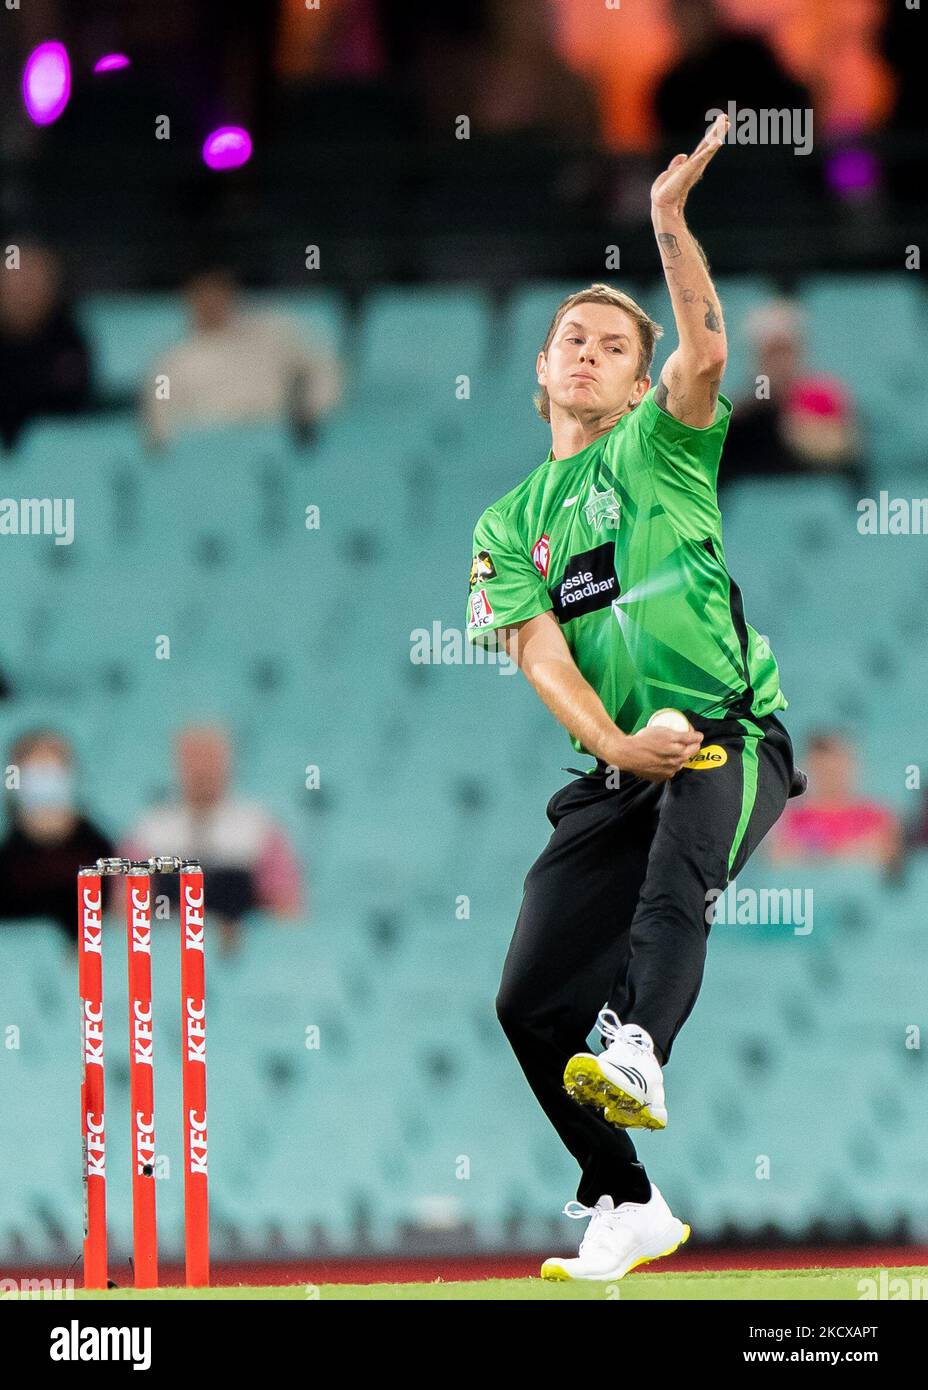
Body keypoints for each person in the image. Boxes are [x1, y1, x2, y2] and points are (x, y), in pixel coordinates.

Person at [465, 115, 806, 1283]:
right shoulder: (509, 524)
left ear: (634, 378)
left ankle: (643, 1049)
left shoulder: (663, 446)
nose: (589, 353)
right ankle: (625, 1198)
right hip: (619, 761)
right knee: (523, 1002)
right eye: (573, 337)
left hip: (728, 731)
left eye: (615, 345)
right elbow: (535, 649)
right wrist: (616, 740)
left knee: (676, 887)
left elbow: (704, 349)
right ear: (541, 366)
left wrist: (668, 223)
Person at [121, 724, 303, 952]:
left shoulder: (259, 827)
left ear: (228, 764)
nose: (202, 770)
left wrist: (245, 931)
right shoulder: (149, 830)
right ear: (178, 765)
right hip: (167, 954)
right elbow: (125, 908)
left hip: (239, 955)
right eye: (193, 761)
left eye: (211, 760)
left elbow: (286, 907)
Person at [141, 265, 341, 446]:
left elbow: (323, 370)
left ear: (232, 294)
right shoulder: (170, 365)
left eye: (218, 292)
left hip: (280, 442)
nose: (211, 303)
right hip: (217, 454)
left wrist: (309, 411)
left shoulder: (274, 332)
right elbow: (158, 413)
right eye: (202, 294)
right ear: (189, 299)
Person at [722, 300, 862, 491]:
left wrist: (790, 430)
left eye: (786, 350)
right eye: (770, 353)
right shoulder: (743, 407)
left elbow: (846, 445)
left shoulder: (823, 394)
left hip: (814, 492)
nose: (779, 361)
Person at [0, 731, 113, 943]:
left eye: (52, 769)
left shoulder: (100, 850)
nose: (44, 777)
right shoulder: (6, 858)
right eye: (36, 770)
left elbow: (114, 919)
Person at [0, 242, 92, 449]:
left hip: (61, 457)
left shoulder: (69, 339)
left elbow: (74, 405)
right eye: (15, 284)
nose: (23, 294)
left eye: (32, 282)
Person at [768, 730, 900, 872]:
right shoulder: (788, 818)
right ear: (809, 767)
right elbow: (777, 859)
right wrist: (847, 850)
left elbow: (886, 858)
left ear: (851, 765)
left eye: (837, 766)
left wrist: (813, 852)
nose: (831, 774)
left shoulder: (878, 816)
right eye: (823, 768)